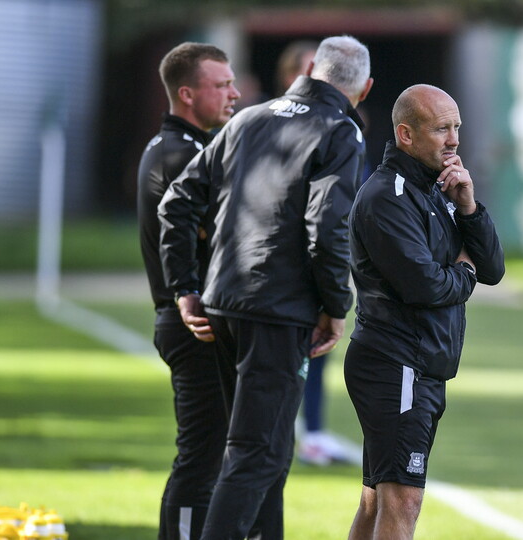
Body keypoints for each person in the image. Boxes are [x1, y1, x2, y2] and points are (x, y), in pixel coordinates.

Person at [158, 35, 373, 540]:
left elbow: (177, 202)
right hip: (277, 312)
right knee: (256, 453)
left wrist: (185, 288)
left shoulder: (248, 118)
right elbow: (328, 225)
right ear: (365, 88)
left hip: (222, 302)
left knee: (270, 451)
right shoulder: (340, 129)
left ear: (312, 69)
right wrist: (335, 306)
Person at [343, 84, 505, 540]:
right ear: (406, 134)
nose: (454, 140)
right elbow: (427, 286)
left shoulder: (440, 188)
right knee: (402, 501)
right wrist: (465, 272)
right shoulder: (387, 196)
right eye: (441, 129)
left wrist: (469, 207)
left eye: (457, 127)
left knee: (377, 499)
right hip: (397, 365)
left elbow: (493, 268)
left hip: (418, 366)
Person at [136, 42, 241, 540]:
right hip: (193, 322)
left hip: (188, 319)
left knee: (209, 458)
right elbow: (216, 236)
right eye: (222, 85)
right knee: (201, 460)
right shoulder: (183, 155)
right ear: (187, 94)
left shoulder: (174, 145)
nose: (234, 94)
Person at [273, 39, 353, 467]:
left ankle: (314, 433)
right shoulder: (266, 123)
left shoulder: (340, 126)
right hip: (282, 274)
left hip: (309, 272)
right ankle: (281, 436)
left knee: (318, 355)